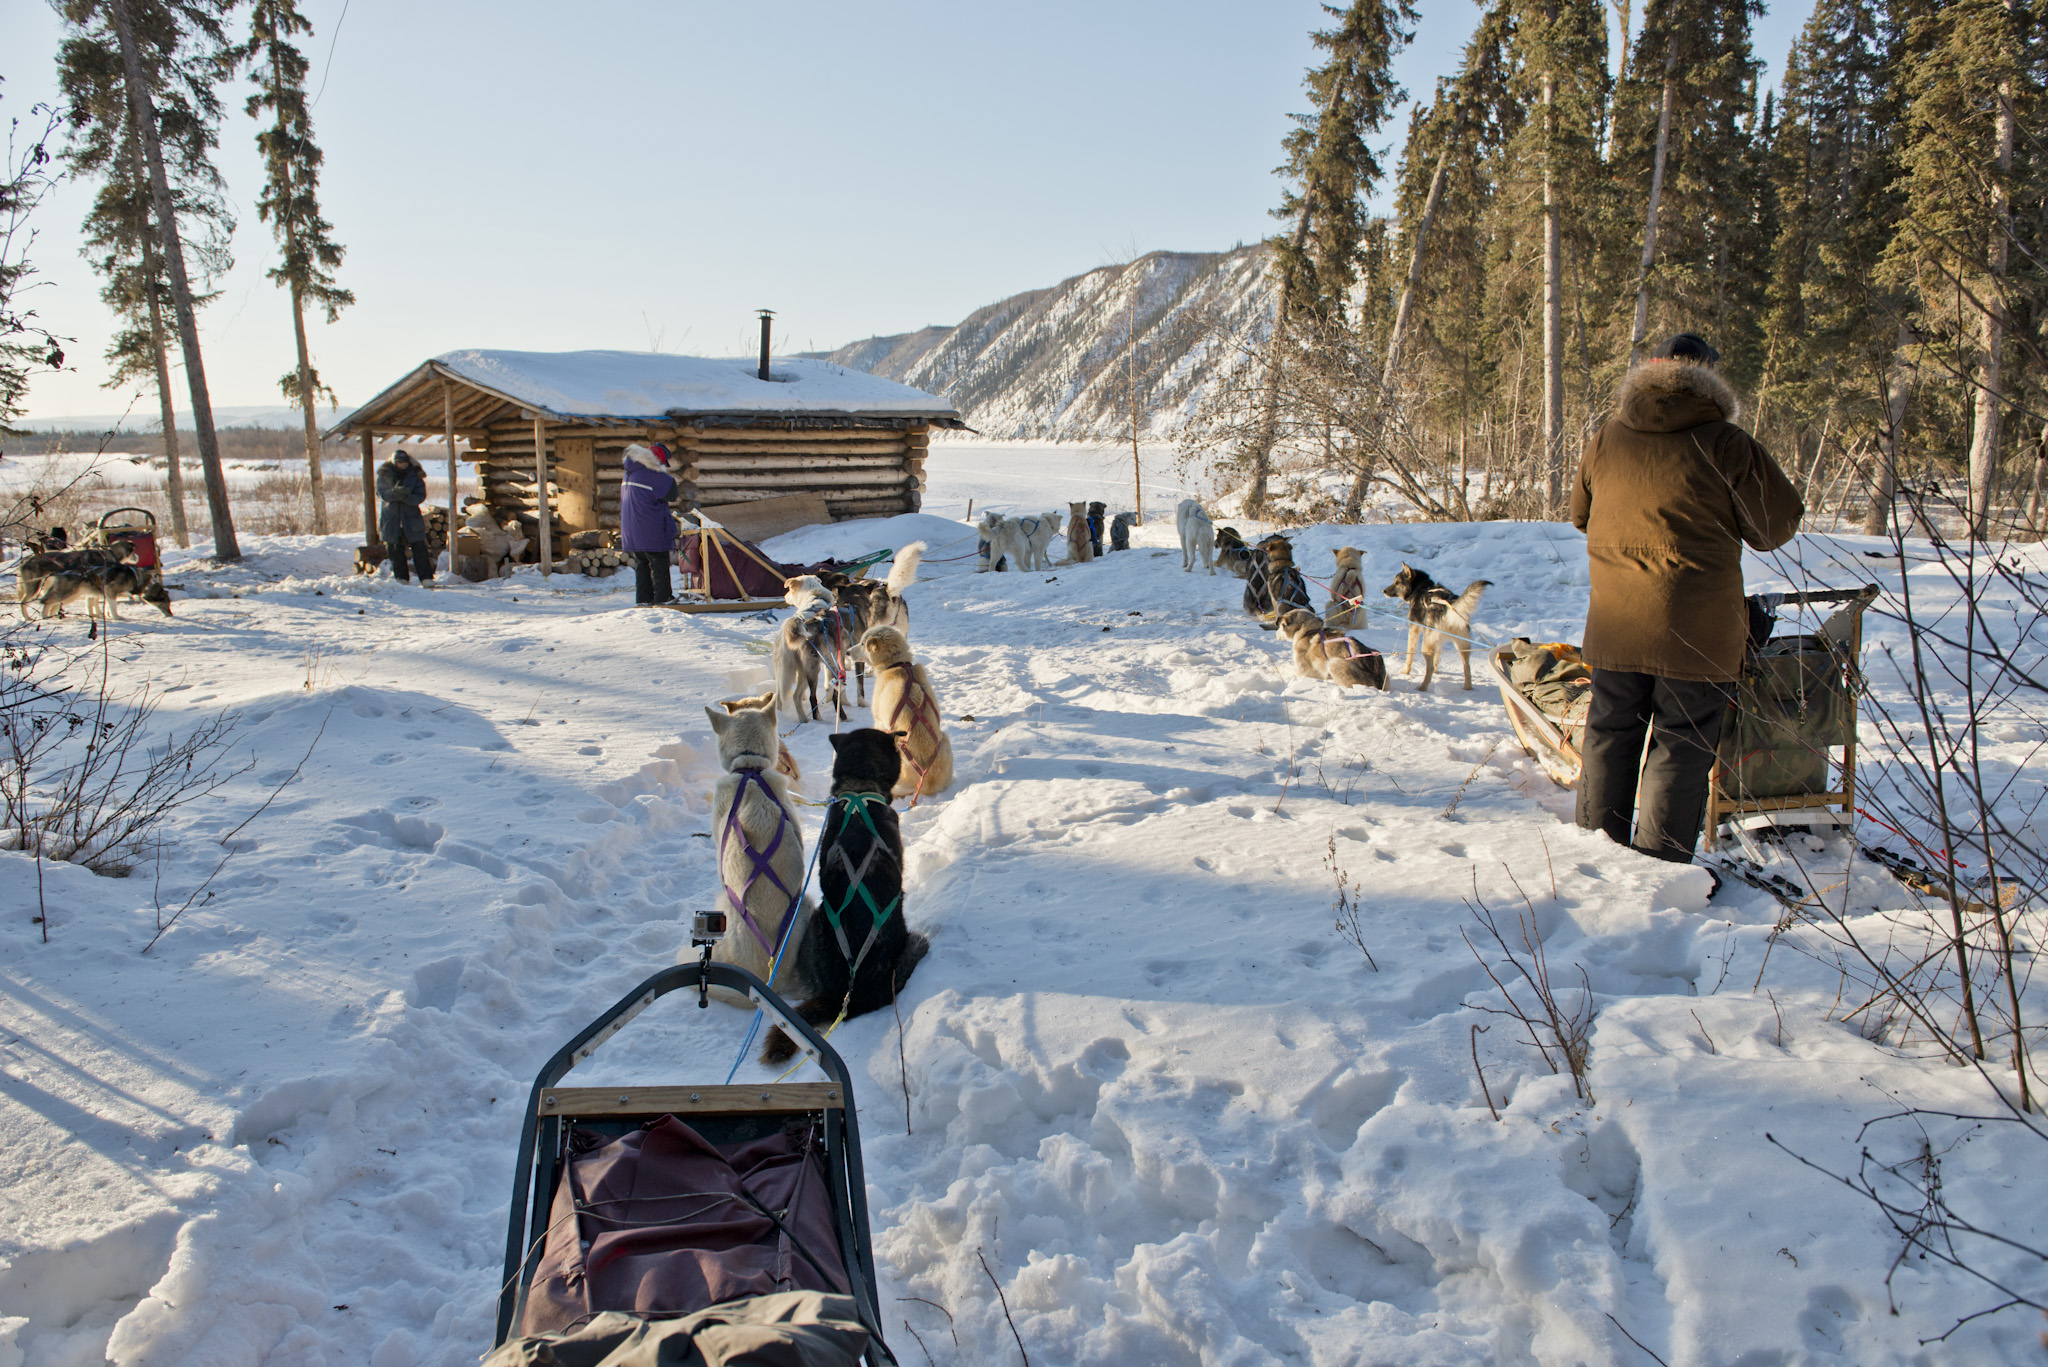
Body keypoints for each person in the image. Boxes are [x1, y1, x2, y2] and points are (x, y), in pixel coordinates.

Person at [1570, 333, 1804, 866]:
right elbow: (1774, 528)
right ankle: (1660, 869)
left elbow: (1581, 514)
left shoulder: (1608, 436)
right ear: (1711, 381)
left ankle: (1594, 858)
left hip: (1616, 620)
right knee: (1680, 743)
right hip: (1696, 630)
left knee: (1608, 733)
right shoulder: (1726, 442)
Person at [620, 442, 678, 605]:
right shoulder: (653, 475)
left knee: (642, 564)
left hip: (632, 529)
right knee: (659, 562)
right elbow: (672, 493)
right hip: (650, 528)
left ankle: (643, 599)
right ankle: (663, 599)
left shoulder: (630, 472)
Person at [376, 449, 434, 582]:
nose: (403, 465)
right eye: (400, 462)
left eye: (405, 462)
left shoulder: (415, 475)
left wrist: (406, 497)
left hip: (411, 518)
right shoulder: (384, 475)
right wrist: (394, 493)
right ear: (394, 462)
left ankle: (426, 578)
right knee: (395, 550)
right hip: (391, 518)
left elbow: (420, 496)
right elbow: (381, 494)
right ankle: (401, 578)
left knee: (419, 549)